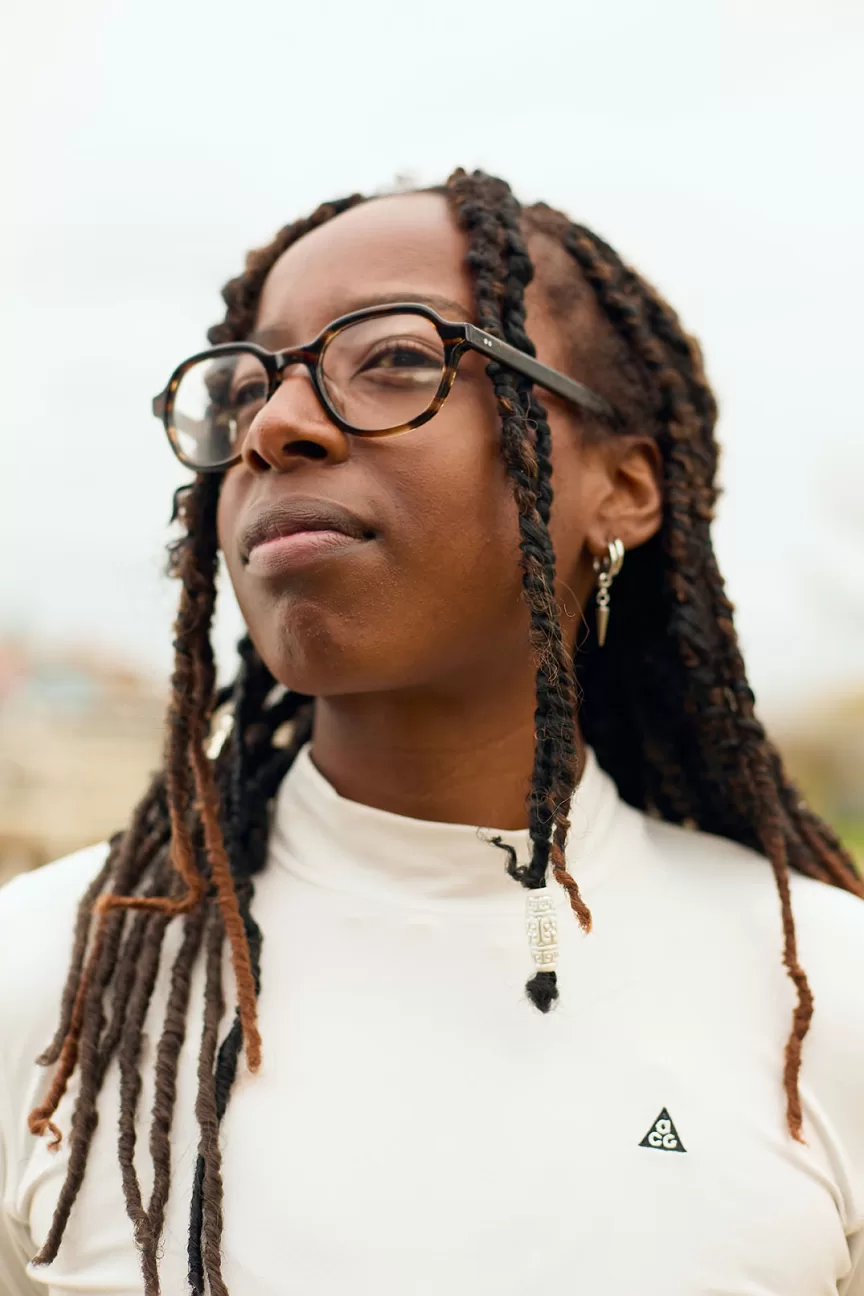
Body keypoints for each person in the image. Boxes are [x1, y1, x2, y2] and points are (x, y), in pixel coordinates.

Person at [0, 169, 862, 1296]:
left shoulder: (824, 990)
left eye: (398, 359)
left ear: (623, 487)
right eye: (248, 388)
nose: (277, 426)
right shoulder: (44, 980)